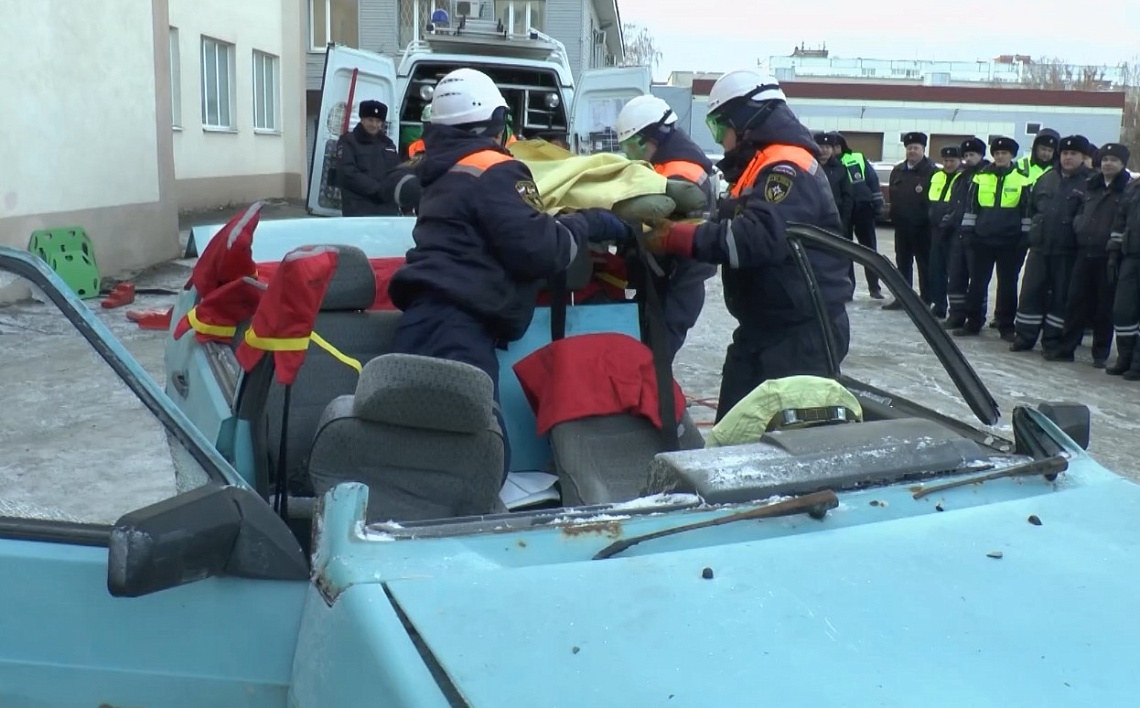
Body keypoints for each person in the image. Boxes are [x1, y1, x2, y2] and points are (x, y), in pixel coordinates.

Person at [387, 68, 632, 470]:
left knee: (415, 451)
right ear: (497, 125)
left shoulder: (438, 169)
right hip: (459, 332)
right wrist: (588, 223)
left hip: (419, 321)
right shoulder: (497, 169)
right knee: (477, 460)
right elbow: (542, 250)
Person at [639, 70, 853, 420]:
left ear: (747, 120)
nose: (721, 140)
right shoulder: (759, 165)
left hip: (801, 333)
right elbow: (735, 223)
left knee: (781, 447)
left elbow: (756, 238)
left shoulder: (786, 166)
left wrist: (679, 237)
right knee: (735, 430)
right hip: (765, 327)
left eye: (721, 128)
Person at [614, 94, 719, 360]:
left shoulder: (680, 172)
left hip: (676, 280)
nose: (630, 153)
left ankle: (656, 400)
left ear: (654, 138)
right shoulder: (666, 163)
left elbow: (653, 216)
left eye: (633, 145)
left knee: (655, 356)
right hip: (668, 276)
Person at [1011, 135, 1092, 354]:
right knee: (1030, 293)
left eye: (1073, 154)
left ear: (1083, 157)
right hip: (1039, 248)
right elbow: (1032, 208)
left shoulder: (1090, 182)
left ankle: (1053, 340)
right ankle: (1025, 336)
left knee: (1061, 297)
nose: (1067, 158)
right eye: (1064, 153)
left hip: (1067, 251)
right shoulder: (1047, 178)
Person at [1053, 143, 1131, 366]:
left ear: (1123, 164)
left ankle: (1100, 353)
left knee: (1103, 307)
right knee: (1075, 302)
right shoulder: (1091, 185)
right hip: (1084, 251)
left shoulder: (1128, 189)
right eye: (1105, 159)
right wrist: (1079, 226)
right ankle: (1067, 348)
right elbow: (1080, 212)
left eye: (1113, 160)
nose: (1108, 163)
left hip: (1109, 256)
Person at [954, 136, 1032, 339]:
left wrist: (1025, 235)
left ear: (1011, 155)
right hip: (982, 240)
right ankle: (973, 322)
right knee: (978, 284)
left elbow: (1026, 210)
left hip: (1010, 241)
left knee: (1008, 285)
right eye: (997, 153)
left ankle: (1006, 325)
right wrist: (968, 232)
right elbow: (971, 207)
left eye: (1004, 153)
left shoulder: (1022, 178)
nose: (1000, 157)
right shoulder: (980, 177)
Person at [885, 132, 937, 310]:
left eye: (916, 148)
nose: (912, 151)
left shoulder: (931, 171)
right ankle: (902, 297)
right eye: (909, 148)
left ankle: (926, 299)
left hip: (923, 228)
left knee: (925, 265)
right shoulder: (898, 170)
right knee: (902, 264)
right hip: (902, 226)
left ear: (923, 149)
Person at [943, 138, 990, 330]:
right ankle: (956, 315)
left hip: (977, 237)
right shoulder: (961, 177)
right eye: (966, 155)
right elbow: (954, 204)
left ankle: (975, 319)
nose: (969, 158)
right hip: (958, 234)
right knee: (956, 277)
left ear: (981, 155)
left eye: (973, 155)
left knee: (977, 281)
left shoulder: (986, 176)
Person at [833, 131, 885, 298]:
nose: (833, 149)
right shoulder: (828, 164)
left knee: (869, 250)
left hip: (863, 208)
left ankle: (874, 288)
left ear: (842, 145)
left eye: (836, 145)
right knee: (844, 251)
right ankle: (848, 288)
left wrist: (877, 203)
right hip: (843, 212)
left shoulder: (857, 157)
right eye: (830, 146)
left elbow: (872, 180)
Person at [335, 99, 405, 217]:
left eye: (378, 121)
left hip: (386, 210)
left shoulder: (388, 145)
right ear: (362, 119)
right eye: (370, 120)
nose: (374, 124)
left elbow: (397, 171)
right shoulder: (348, 142)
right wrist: (378, 190)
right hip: (358, 209)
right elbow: (347, 173)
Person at [1108, 156, 1140, 379]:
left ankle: (1138, 364)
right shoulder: (1134, 187)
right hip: (1130, 256)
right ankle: (1125, 357)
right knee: (1123, 311)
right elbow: (1120, 221)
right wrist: (1113, 253)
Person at [926, 145, 963, 319]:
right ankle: (939, 304)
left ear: (959, 161)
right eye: (946, 161)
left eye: (952, 161)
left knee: (954, 271)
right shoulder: (937, 176)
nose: (948, 164)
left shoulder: (963, 178)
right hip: (935, 230)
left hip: (953, 231)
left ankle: (955, 309)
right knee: (936, 269)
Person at [813, 131, 855, 234]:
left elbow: (847, 197)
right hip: (813, 219)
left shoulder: (840, 169)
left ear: (832, 149)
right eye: (821, 147)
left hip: (834, 219)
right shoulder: (809, 167)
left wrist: (844, 222)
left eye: (828, 147)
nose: (824, 150)